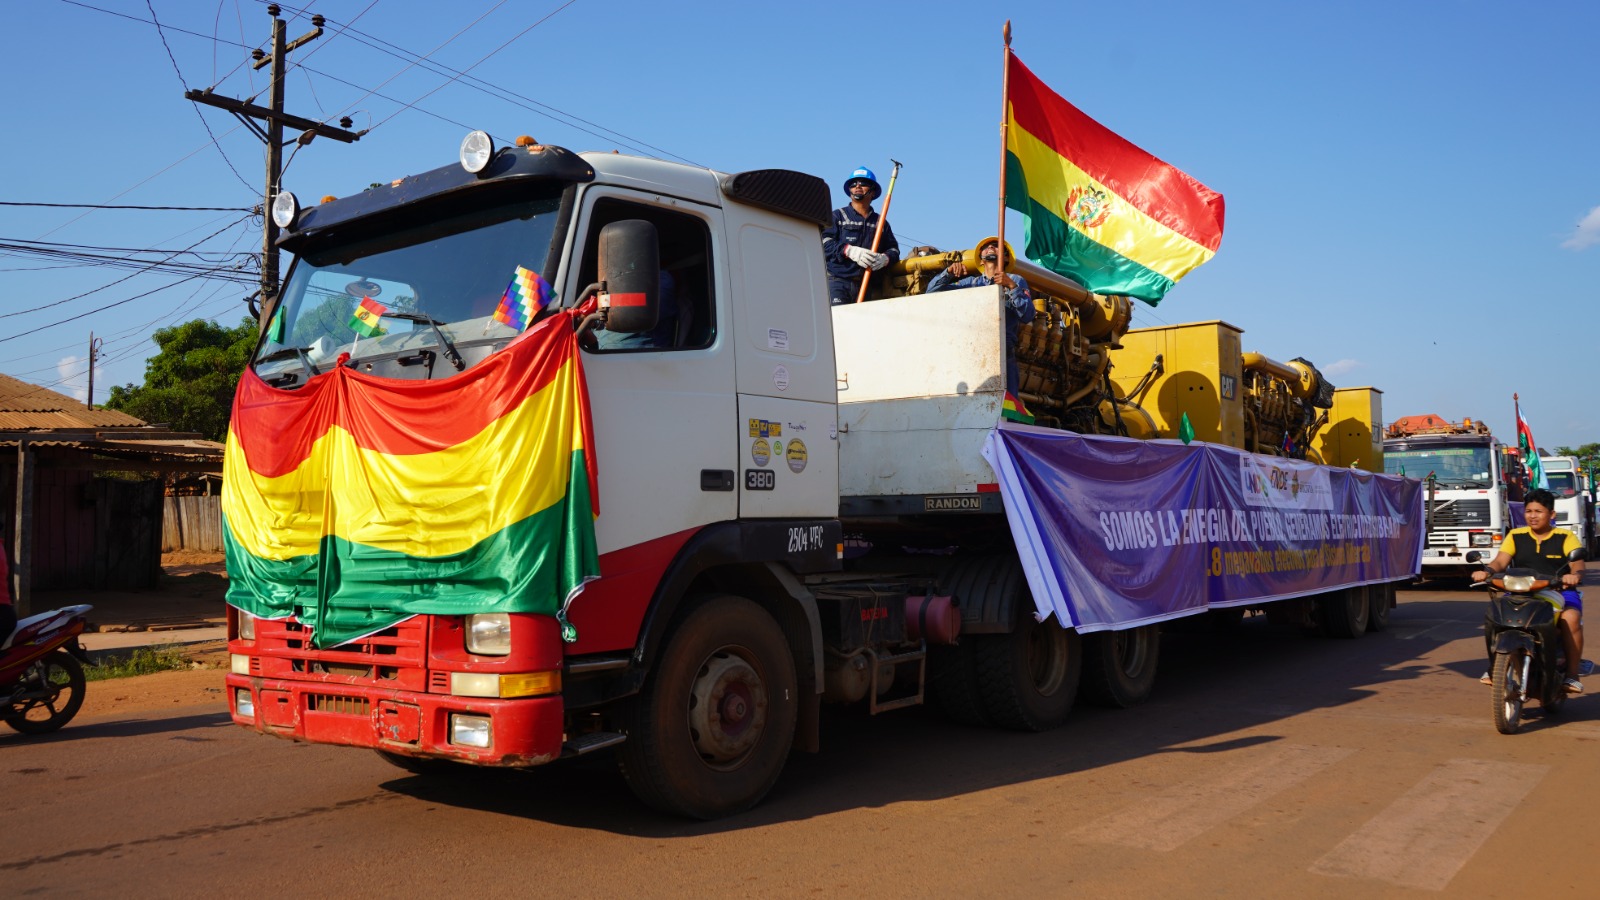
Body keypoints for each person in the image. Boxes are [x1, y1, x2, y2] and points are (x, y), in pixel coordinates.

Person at [1472, 488, 1587, 692]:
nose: (1533, 516)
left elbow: (1577, 565)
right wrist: (1487, 571)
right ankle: (1494, 668)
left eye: (1539, 511)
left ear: (1551, 514)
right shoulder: (1516, 535)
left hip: (1559, 591)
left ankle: (1572, 674)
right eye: (1529, 511)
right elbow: (1500, 561)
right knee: (1494, 615)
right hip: (1520, 590)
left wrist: (1574, 576)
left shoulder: (1565, 536)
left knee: (1570, 618)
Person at [924, 238, 1037, 397]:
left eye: (996, 247)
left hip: (1004, 352)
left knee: (1007, 403)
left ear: (1005, 258)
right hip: (973, 351)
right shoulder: (972, 283)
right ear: (981, 260)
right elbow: (932, 292)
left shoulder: (1016, 281)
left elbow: (1027, 315)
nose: (990, 247)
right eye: (985, 247)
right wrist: (948, 273)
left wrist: (1011, 287)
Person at [821, 167, 900, 306]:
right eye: (853, 183)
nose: (857, 186)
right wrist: (849, 251)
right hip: (838, 282)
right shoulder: (837, 216)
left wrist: (885, 259)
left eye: (863, 183)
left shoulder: (881, 223)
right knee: (839, 322)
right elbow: (824, 243)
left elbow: (894, 250)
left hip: (869, 285)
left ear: (873, 191)